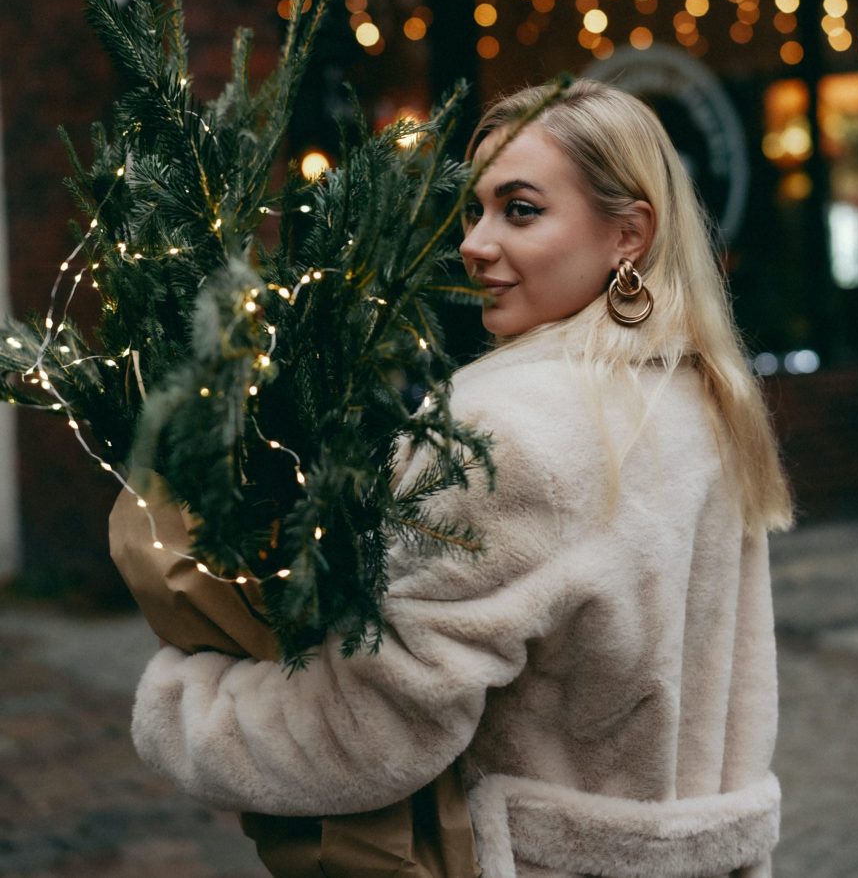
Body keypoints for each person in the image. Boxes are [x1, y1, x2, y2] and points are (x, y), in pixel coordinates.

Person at [131, 79, 793, 878]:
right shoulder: (703, 399)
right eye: (476, 209)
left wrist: (187, 702)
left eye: (520, 210)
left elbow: (375, 731)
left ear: (629, 234)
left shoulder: (507, 430)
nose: (475, 243)